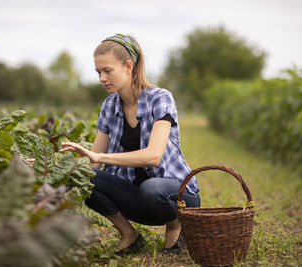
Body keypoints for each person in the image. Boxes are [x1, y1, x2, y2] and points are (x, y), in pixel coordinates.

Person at [60, 33, 200, 255]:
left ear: (128, 66)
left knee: (152, 188)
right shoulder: (109, 106)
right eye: (98, 72)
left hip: (177, 197)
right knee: (84, 177)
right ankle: (130, 235)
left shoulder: (160, 98)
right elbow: (93, 163)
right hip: (141, 201)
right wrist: (54, 167)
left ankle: (176, 225)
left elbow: (153, 156)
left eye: (107, 71)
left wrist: (101, 158)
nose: (101, 78)